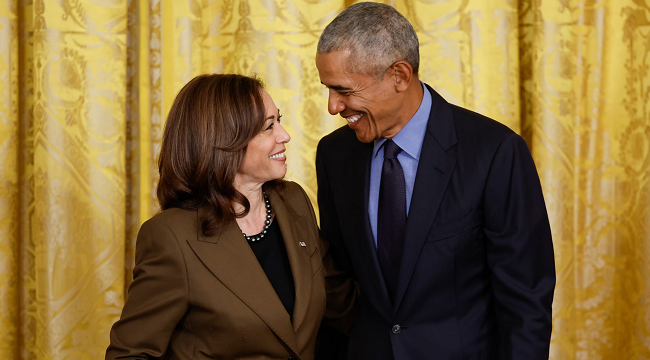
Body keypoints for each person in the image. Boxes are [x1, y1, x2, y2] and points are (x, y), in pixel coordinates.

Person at [314, 3, 556, 360]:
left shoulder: (494, 152)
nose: (332, 106)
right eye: (327, 89)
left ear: (399, 75)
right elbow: (339, 281)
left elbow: (526, 301)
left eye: (344, 91)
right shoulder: (334, 154)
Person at [106, 74, 355, 360]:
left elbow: (339, 302)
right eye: (268, 127)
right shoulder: (171, 236)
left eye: (279, 120)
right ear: (223, 141)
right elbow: (129, 354)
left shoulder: (293, 202)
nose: (284, 135)